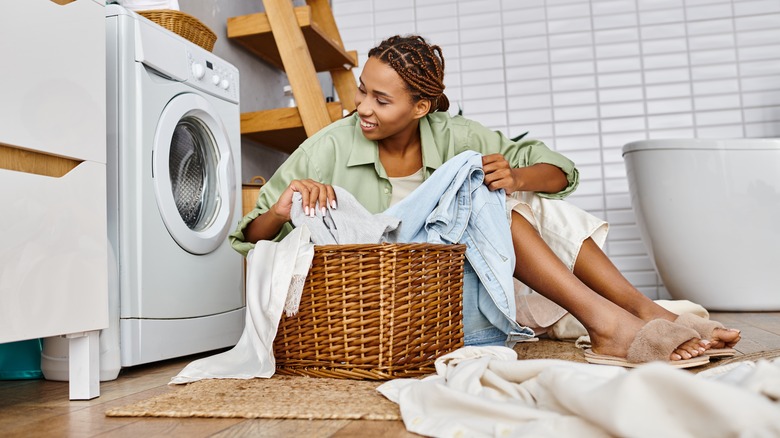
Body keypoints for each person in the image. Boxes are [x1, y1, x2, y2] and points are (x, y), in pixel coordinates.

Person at [230, 34, 741, 367]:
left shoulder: (454, 133)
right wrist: (281, 208)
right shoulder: (330, 147)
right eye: (363, 91)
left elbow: (559, 170)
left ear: (421, 107)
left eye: (380, 100)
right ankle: (611, 324)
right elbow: (248, 239)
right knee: (478, 186)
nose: (362, 108)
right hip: (397, 297)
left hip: (467, 278)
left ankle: (641, 312)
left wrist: (516, 176)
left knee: (510, 193)